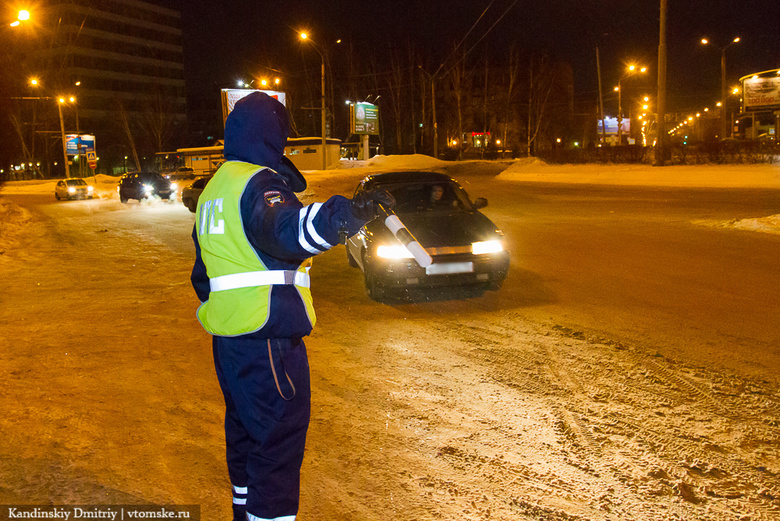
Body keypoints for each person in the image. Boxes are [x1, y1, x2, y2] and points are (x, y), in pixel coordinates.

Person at [190, 92, 391, 521]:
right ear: (271, 137)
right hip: (268, 340)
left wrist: (230, 310)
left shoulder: (214, 191)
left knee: (246, 438)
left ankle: (245, 513)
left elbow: (202, 278)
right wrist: (347, 214)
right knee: (277, 444)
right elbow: (288, 232)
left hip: (231, 343)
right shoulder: (260, 182)